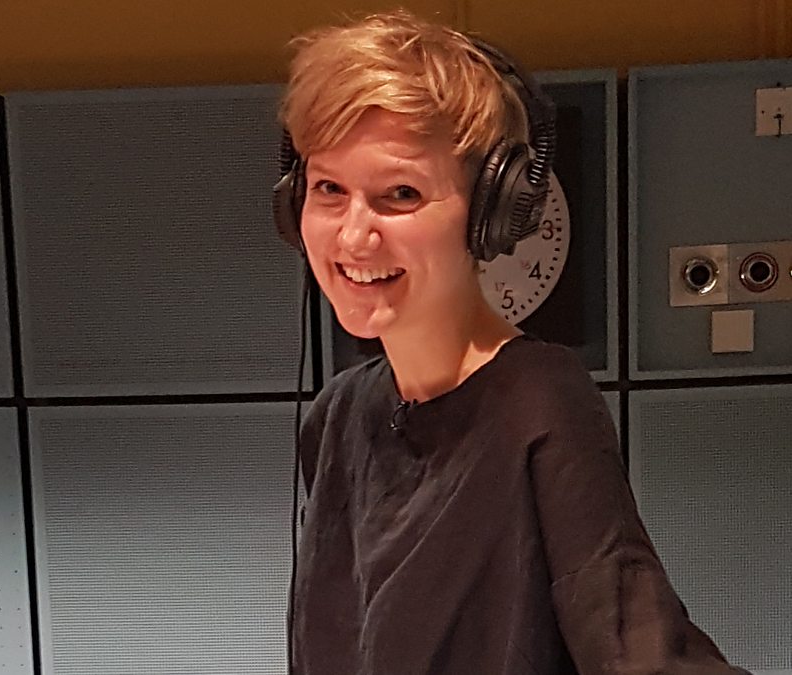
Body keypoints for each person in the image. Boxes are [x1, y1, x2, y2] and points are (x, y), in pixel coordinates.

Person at [274, 9, 748, 674]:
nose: (354, 236)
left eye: (400, 194)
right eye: (329, 188)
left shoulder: (538, 402)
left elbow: (636, 644)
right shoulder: (337, 419)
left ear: (490, 213)